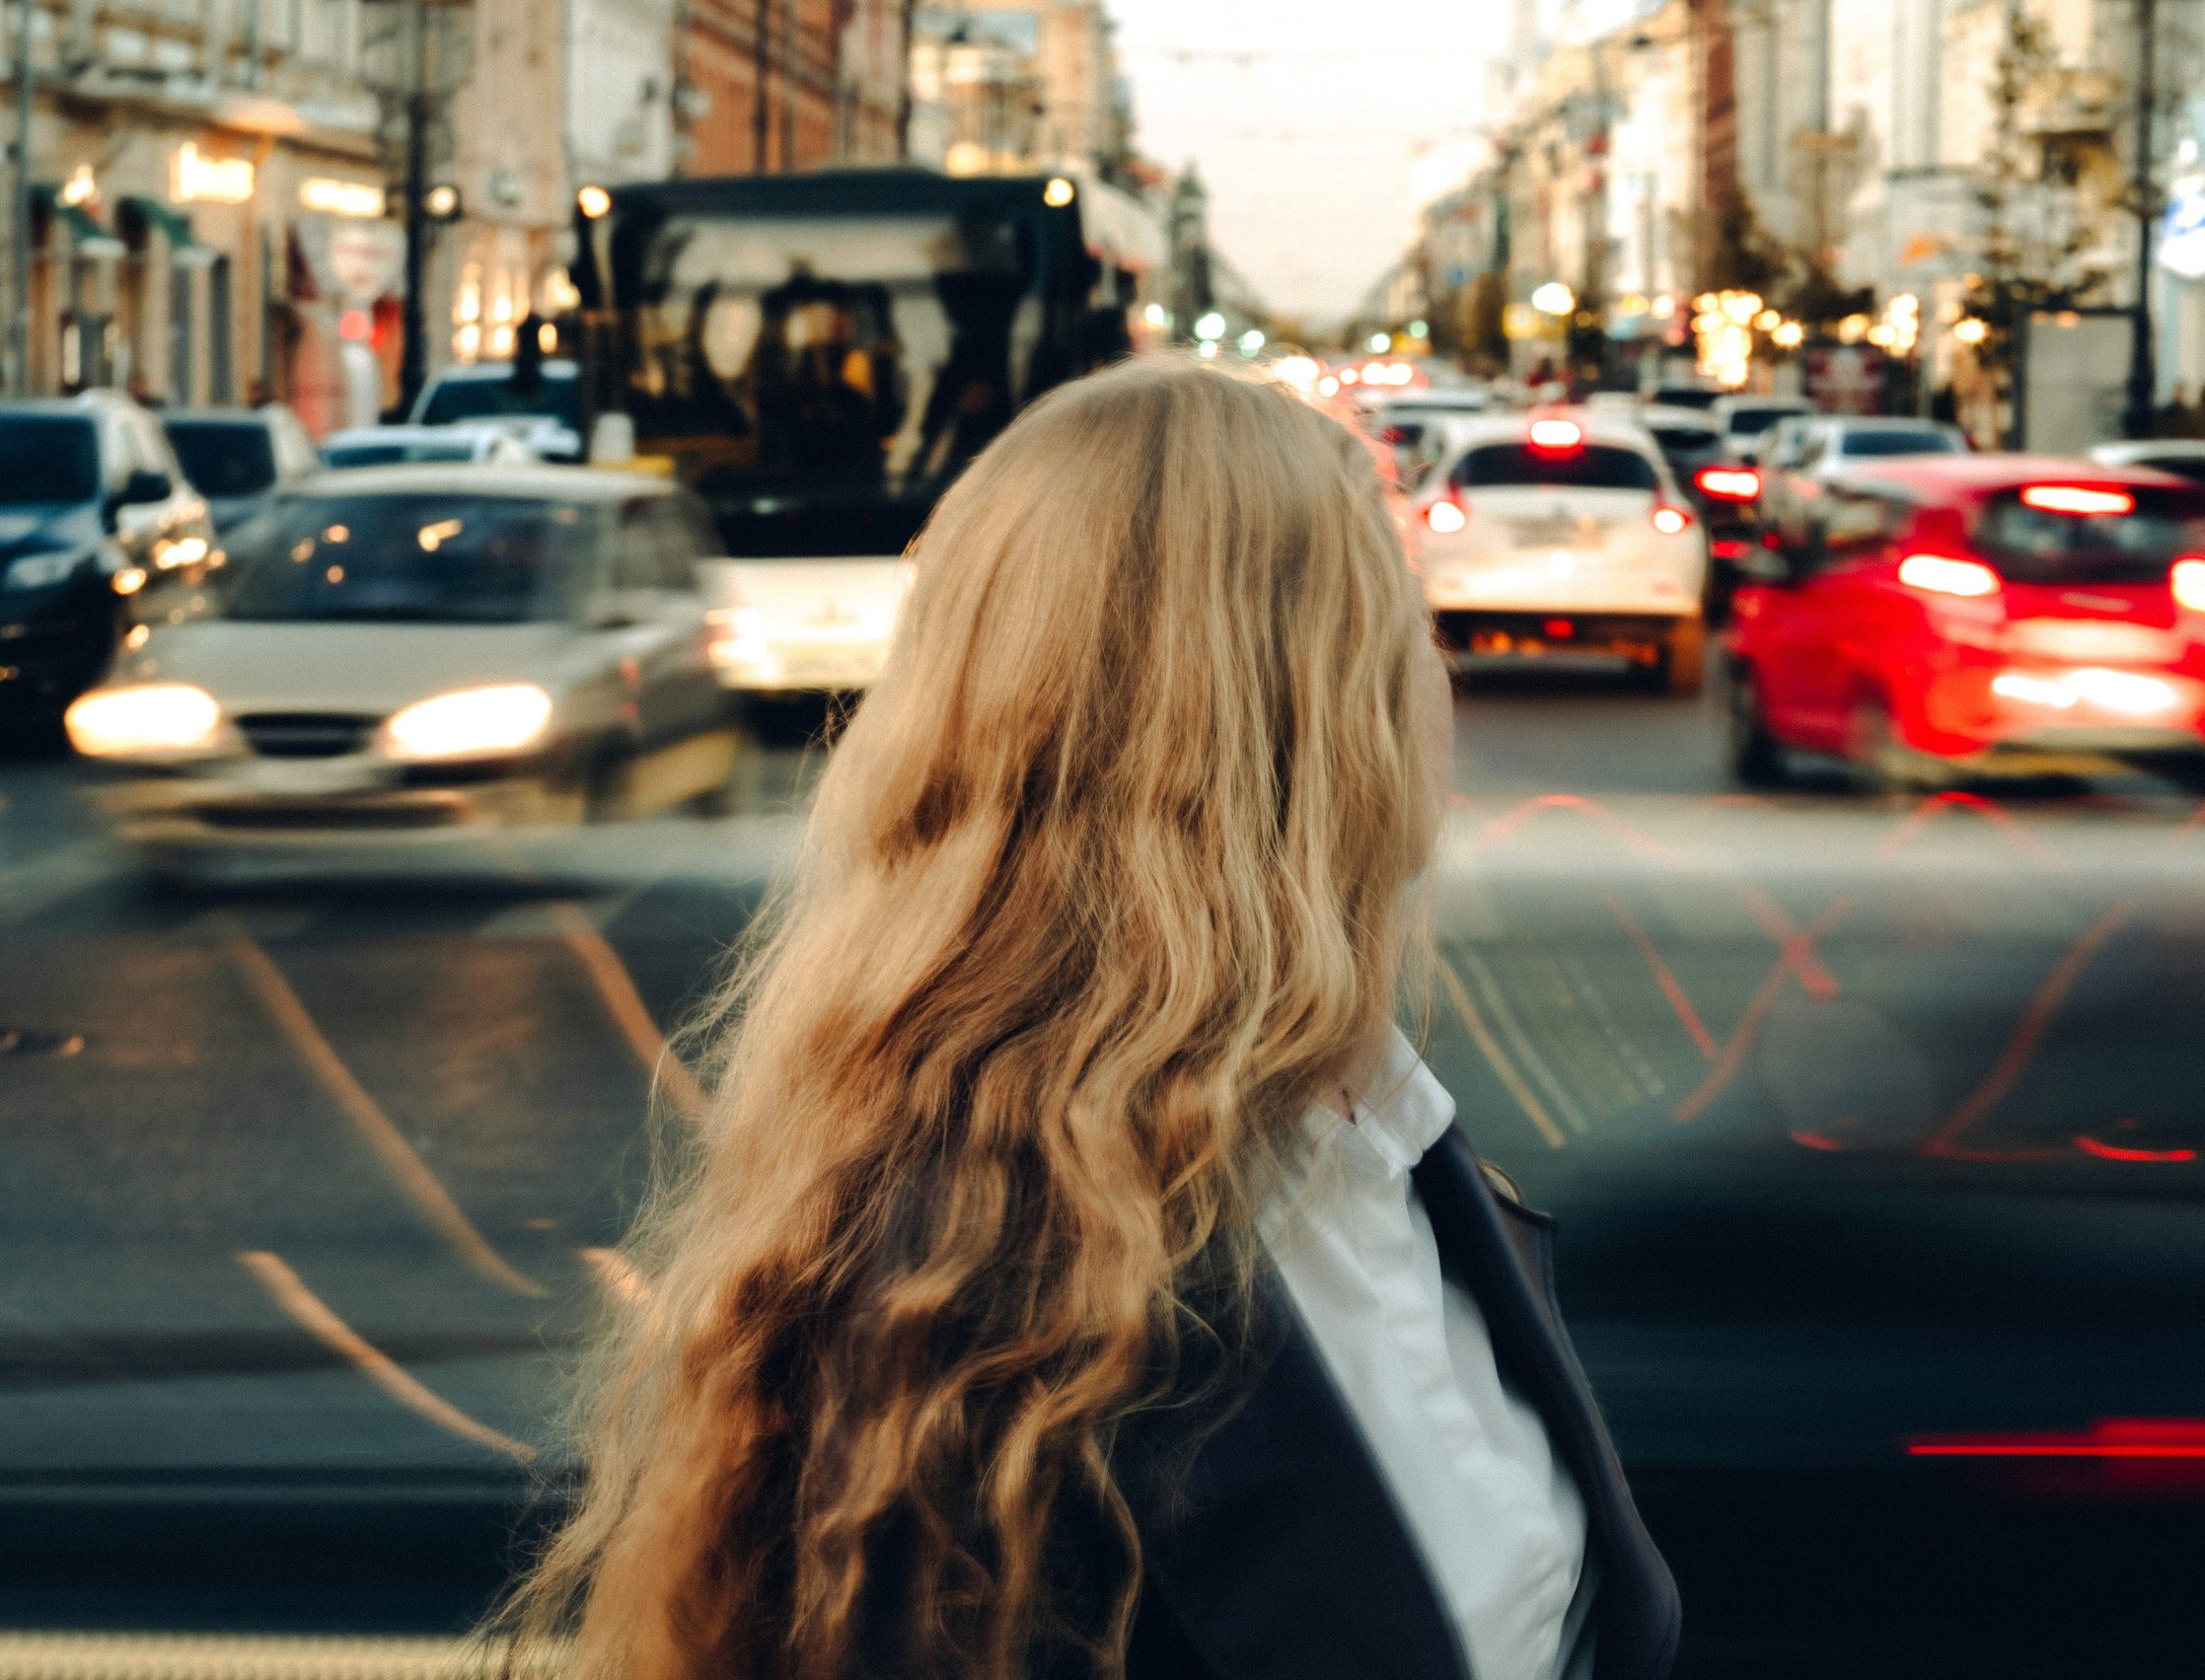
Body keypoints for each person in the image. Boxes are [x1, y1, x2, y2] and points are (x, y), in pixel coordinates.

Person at [497, 356, 1681, 1680]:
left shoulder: (1384, 1134)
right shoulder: (964, 1295)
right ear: (1310, 723)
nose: (1442, 681)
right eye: (1409, 628)